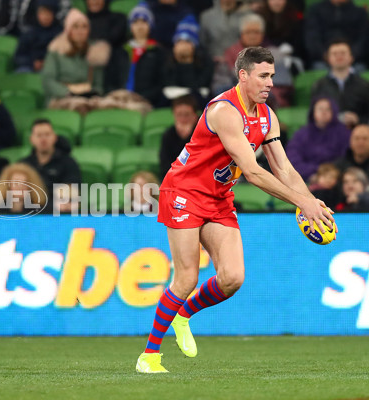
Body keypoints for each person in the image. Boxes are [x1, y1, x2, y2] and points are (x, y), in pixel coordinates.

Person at [135, 46, 335, 373]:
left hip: (218, 198)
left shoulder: (268, 116)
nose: (271, 82)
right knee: (185, 277)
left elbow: (284, 169)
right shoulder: (224, 111)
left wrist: (310, 198)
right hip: (183, 192)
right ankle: (150, 356)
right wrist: (301, 203)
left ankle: (183, 316)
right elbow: (253, 173)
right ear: (243, 75)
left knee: (232, 278)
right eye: (264, 75)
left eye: (272, 75)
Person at [41, 8, 110, 105]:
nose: (80, 31)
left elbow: (98, 83)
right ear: (69, 29)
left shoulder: (95, 50)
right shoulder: (56, 50)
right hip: (62, 97)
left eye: (84, 27)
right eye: (75, 27)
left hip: (88, 97)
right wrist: (67, 93)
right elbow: (48, 80)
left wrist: (94, 94)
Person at [104, 3, 166, 107]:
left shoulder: (158, 52)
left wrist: (140, 97)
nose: (140, 26)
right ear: (130, 26)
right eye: (135, 22)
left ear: (150, 25)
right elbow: (109, 80)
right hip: (118, 100)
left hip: (146, 102)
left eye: (144, 22)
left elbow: (161, 84)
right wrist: (117, 95)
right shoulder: (120, 51)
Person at [286, 96, 350, 182]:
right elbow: (292, 158)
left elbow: (347, 157)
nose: (324, 112)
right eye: (320, 109)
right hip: (307, 177)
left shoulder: (344, 133)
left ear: (334, 112)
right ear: (313, 112)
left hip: (336, 178)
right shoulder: (301, 134)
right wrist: (313, 172)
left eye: (328, 109)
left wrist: (328, 174)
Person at [310, 40, 369, 129]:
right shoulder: (319, 86)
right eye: (334, 54)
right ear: (328, 59)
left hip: (358, 133)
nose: (339, 56)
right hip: (328, 132)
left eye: (343, 53)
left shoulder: (364, 85)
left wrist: (358, 119)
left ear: (351, 57)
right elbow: (313, 116)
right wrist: (335, 118)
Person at [19, 118, 81, 195]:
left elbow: (72, 191)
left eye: (47, 134)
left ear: (55, 138)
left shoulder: (68, 163)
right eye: (39, 135)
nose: (43, 139)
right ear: (31, 139)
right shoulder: (23, 164)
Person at [304, 0, 368, 69]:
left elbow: (363, 39)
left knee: (360, 69)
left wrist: (352, 56)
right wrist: (325, 55)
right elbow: (312, 36)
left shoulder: (360, 12)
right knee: (318, 68)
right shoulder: (316, 11)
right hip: (323, 59)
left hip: (354, 60)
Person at [14, 0, 63, 73]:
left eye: (48, 13)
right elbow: (19, 56)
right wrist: (32, 63)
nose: (45, 17)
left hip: (53, 68)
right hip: (30, 67)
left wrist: (48, 63)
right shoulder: (29, 33)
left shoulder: (60, 34)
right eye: (42, 13)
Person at [159, 95, 199, 176]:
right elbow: (164, 164)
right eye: (179, 115)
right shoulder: (169, 134)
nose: (183, 119)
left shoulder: (203, 134)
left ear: (195, 115)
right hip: (175, 177)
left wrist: (189, 136)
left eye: (187, 114)